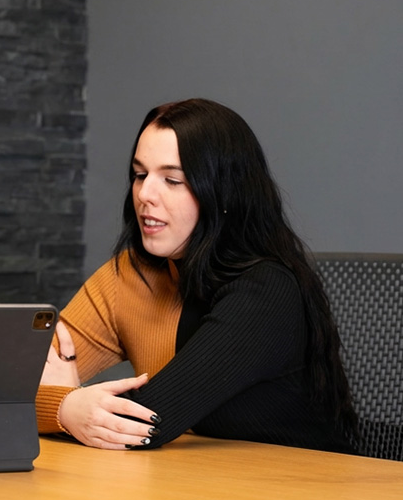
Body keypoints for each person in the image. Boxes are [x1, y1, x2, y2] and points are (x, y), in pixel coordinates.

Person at [37, 98, 357, 453]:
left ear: (221, 192)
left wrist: (65, 403)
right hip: (187, 484)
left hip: (295, 494)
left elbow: (144, 423)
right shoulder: (129, 275)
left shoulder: (266, 292)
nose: (146, 194)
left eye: (172, 180)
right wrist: (66, 407)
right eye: (140, 175)